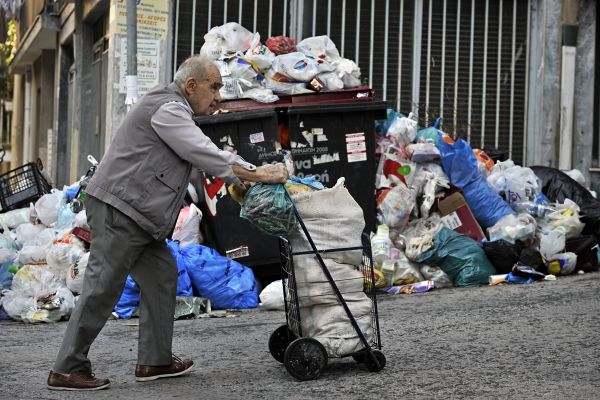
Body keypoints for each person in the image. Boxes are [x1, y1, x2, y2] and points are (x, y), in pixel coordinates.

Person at [47, 55, 288, 391]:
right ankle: (66, 368)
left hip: (139, 216)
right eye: (214, 86)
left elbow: (190, 157)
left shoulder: (174, 109)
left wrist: (238, 178)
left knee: (162, 277)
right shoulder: (168, 109)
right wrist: (254, 171)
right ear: (192, 86)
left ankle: (154, 360)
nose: (218, 95)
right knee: (102, 288)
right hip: (122, 210)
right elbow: (201, 150)